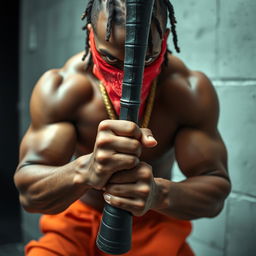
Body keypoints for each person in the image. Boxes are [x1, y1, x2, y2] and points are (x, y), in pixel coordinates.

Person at [14, 0, 231, 255]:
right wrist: (85, 170)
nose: (127, 73)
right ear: (90, 33)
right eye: (109, 58)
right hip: (77, 223)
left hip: (154, 222)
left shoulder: (188, 90)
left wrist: (157, 194)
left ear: (166, 38)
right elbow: (29, 194)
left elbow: (215, 194)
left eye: (147, 58)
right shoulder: (61, 88)